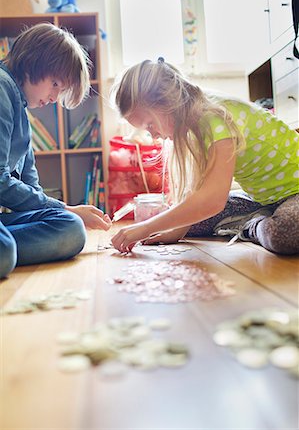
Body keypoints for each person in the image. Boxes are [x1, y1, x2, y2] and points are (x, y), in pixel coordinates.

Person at [110, 58, 299, 255]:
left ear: (166, 102)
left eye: (150, 125)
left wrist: (147, 227)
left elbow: (212, 201)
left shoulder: (213, 116)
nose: (154, 136)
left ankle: (252, 225)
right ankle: (264, 215)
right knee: (184, 217)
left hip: (295, 192)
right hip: (260, 199)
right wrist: (175, 231)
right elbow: (198, 192)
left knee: (282, 232)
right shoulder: (192, 118)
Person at [0, 23, 112, 279]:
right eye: (54, 84)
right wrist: (66, 208)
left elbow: (31, 187)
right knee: (5, 250)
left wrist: (62, 212)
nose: (53, 98)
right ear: (32, 63)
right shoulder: (1, 89)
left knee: (70, 228)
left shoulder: (21, 109)